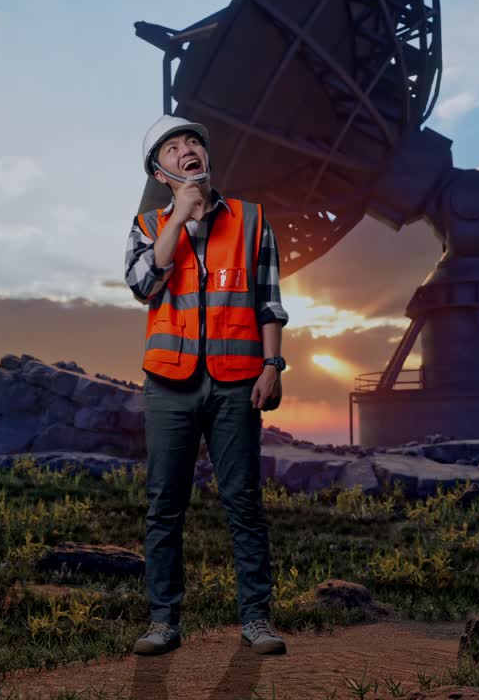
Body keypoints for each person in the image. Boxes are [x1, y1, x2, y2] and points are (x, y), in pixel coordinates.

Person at [123, 115, 289, 656]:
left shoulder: (251, 220)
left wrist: (272, 365)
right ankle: (163, 622)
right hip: (169, 383)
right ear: (160, 172)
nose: (186, 149)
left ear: (206, 155)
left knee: (244, 502)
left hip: (237, 381)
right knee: (164, 506)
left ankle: (256, 618)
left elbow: (268, 300)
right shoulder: (147, 225)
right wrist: (178, 217)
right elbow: (143, 284)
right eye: (172, 148)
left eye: (192, 141)